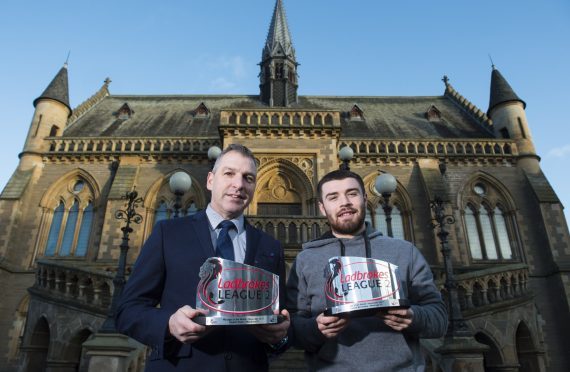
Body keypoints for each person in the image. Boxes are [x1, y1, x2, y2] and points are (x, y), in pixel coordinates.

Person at [117, 144, 290, 371]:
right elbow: (127, 311)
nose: (238, 184)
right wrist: (168, 323)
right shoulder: (167, 233)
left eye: (248, 178)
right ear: (210, 180)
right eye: (229, 174)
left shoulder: (270, 246)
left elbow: (283, 321)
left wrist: (280, 338)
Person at [286, 169, 447, 371]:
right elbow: (291, 326)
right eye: (333, 197)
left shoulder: (405, 252)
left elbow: (439, 318)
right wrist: (315, 329)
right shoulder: (305, 260)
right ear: (322, 207)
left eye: (352, 193)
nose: (344, 202)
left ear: (364, 197)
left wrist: (413, 317)